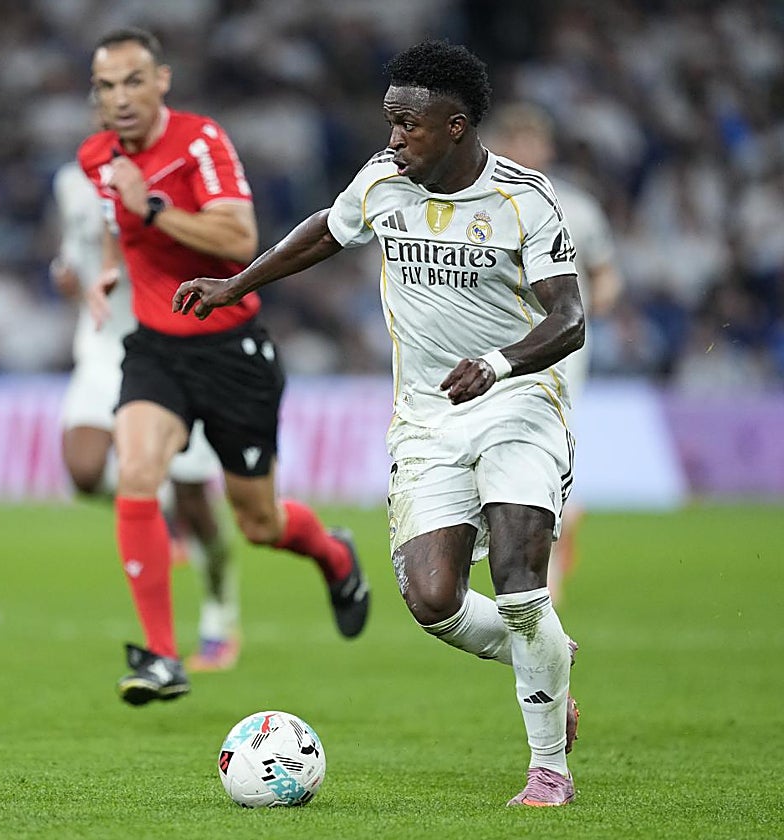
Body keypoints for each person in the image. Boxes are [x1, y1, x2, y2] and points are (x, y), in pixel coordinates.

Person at [174, 40, 583, 807]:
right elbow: (325, 230)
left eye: (408, 125)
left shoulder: (524, 199)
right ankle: (547, 664)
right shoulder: (383, 181)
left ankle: (549, 769)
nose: (394, 138)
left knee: (519, 581)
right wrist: (236, 285)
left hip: (519, 405)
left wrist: (498, 364)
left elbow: (570, 317)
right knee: (434, 601)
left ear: (455, 127)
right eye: (391, 121)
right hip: (427, 419)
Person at [77, 26, 370, 707]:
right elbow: (115, 224)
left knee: (259, 523)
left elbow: (240, 239)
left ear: (162, 81)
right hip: (155, 348)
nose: (121, 98)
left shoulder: (200, 142)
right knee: (138, 470)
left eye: (134, 81)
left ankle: (333, 553)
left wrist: (152, 206)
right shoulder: (96, 156)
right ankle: (162, 656)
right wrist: (108, 269)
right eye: (107, 86)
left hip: (230, 350)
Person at [50, 158, 241, 672]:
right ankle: (159, 504)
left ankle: (220, 611)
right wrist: (64, 273)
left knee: (197, 502)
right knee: (84, 470)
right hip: (102, 348)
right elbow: (73, 251)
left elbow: (215, 248)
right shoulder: (71, 181)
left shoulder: (176, 172)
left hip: (171, 348)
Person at [487, 102, 625, 602]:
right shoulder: (484, 205)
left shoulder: (576, 207)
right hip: (496, 342)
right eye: (515, 140)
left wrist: (593, 305)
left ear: (546, 148)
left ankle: (550, 542)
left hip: (559, 345)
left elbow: (606, 275)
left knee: (543, 436)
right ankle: (557, 519)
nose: (524, 150)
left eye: (532, 141)